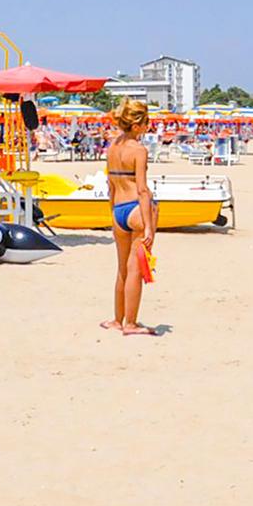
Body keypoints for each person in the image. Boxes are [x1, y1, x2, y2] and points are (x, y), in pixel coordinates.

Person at [102, 99, 158, 336]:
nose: (148, 126)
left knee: (122, 269)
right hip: (136, 209)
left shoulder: (113, 146)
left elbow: (110, 185)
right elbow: (142, 190)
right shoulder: (139, 150)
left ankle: (117, 320)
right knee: (136, 269)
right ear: (136, 125)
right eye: (146, 122)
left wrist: (112, 213)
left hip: (118, 209)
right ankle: (131, 324)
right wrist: (149, 227)